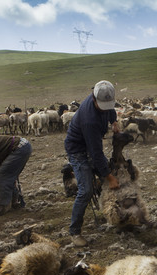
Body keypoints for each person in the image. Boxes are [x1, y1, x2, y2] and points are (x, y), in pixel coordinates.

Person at [64, 80, 120, 246]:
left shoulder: (102, 99)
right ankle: (74, 232)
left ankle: (113, 214)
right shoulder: (90, 120)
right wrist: (109, 178)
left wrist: (114, 121)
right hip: (78, 150)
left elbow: (109, 110)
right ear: (94, 99)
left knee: (106, 172)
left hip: (90, 146)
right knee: (85, 190)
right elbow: (96, 153)